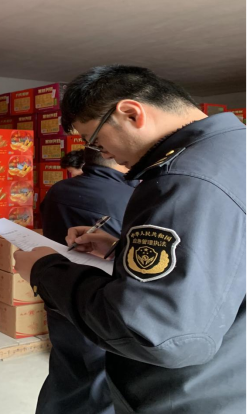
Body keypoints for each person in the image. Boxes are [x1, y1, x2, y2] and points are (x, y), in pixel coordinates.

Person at [14, 65, 247, 413]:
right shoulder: (233, 149)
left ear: (131, 113)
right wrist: (121, 248)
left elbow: (156, 334)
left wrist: (45, 270)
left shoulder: (183, 179)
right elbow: (224, 257)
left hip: (191, 393)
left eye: (96, 140)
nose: (103, 154)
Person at [38, 148, 137, 414]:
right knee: (101, 382)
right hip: (102, 301)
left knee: (66, 371)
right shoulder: (132, 197)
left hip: (61, 290)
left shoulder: (59, 190)